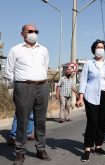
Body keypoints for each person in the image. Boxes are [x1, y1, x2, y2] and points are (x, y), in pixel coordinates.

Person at [4, 24, 51, 164]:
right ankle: (20, 153)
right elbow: (8, 72)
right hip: (23, 86)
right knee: (22, 121)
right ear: (22, 34)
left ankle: (41, 149)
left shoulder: (44, 50)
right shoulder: (15, 50)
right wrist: (13, 89)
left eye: (36, 31)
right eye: (30, 31)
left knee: (41, 121)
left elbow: (44, 67)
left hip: (42, 86)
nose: (33, 33)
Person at [76, 39, 105, 162]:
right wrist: (80, 96)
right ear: (94, 49)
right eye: (98, 47)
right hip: (91, 95)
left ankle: (98, 146)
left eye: (102, 47)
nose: (100, 49)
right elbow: (83, 80)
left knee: (102, 121)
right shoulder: (89, 63)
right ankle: (88, 148)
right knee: (92, 121)